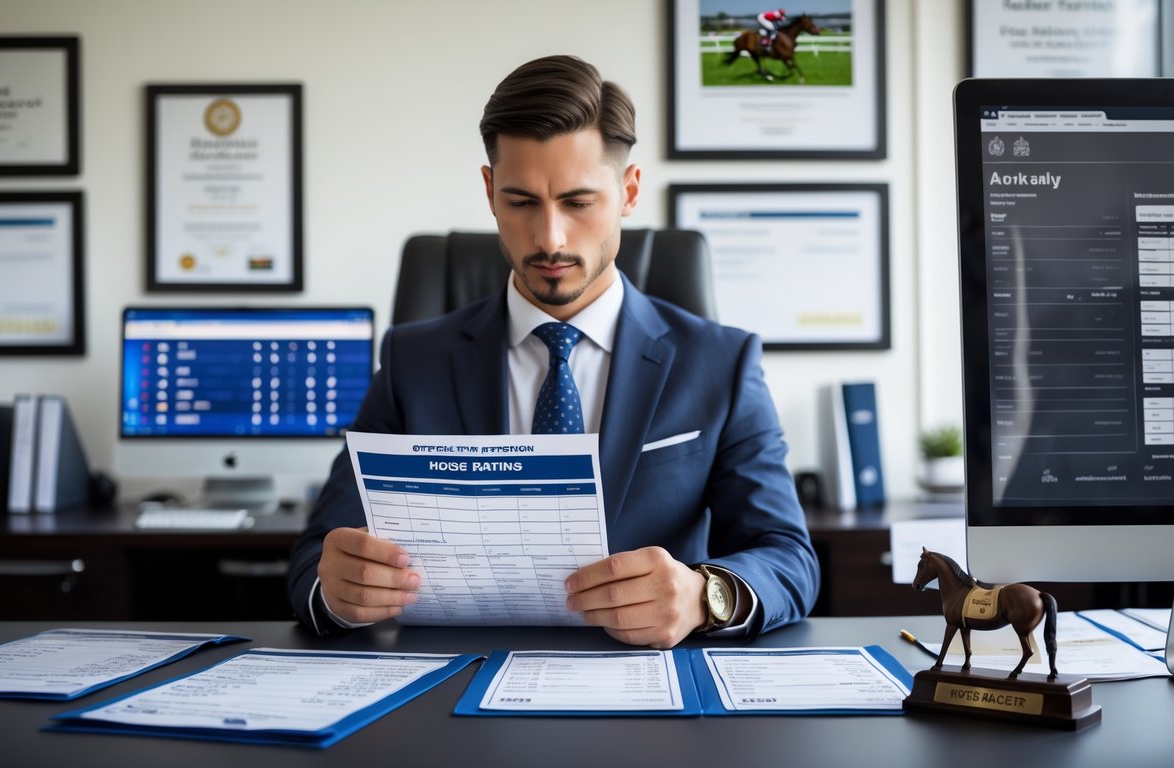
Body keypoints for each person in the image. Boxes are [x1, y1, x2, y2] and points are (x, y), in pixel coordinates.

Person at [287, 55, 819, 649]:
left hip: (647, 691)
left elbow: (789, 558)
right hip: (453, 689)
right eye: (520, 202)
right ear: (489, 192)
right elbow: (316, 557)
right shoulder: (414, 360)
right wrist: (336, 587)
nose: (549, 238)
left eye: (578, 202)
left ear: (629, 191)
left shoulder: (721, 362)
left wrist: (705, 594)